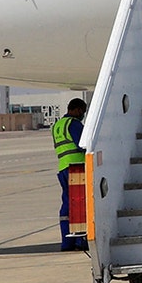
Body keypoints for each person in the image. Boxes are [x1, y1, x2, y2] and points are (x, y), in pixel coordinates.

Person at [52, 97, 88, 251]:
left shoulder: (57, 126)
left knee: (67, 205)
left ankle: (67, 242)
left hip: (63, 168)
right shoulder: (73, 124)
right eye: (82, 112)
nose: (82, 115)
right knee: (80, 204)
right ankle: (81, 241)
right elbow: (83, 144)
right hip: (77, 169)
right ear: (77, 109)